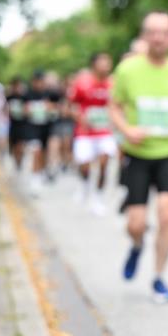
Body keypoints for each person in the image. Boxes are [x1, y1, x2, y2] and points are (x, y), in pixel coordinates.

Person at [108, 11, 168, 303]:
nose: (158, 37)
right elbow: (113, 107)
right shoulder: (128, 70)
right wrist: (127, 129)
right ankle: (137, 245)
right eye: (152, 31)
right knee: (136, 223)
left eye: (164, 32)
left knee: (166, 215)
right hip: (138, 155)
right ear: (145, 36)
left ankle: (159, 278)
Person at [70, 52, 117, 215]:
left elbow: (118, 105)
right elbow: (71, 105)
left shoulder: (113, 84)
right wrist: (80, 117)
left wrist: (115, 119)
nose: (106, 65)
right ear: (94, 64)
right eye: (102, 62)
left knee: (104, 162)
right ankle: (84, 184)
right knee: (85, 166)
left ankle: (98, 198)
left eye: (108, 62)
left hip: (104, 132)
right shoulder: (82, 83)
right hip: (84, 133)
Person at [21, 70, 54, 196]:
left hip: (45, 128)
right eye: (38, 81)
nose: (40, 84)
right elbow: (23, 111)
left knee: (43, 154)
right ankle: (35, 180)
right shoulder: (27, 94)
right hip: (31, 128)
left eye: (42, 81)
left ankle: (41, 173)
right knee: (36, 152)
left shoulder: (48, 94)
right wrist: (30, 109)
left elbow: (56, 108)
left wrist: (49, 107)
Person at [5, 77, 28, 172]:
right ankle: (16, 161)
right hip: (13, 124)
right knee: (14, 145)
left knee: (21, 145)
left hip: (23, 125)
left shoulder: (25, 97)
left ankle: (20, 161)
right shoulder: (9, 97)